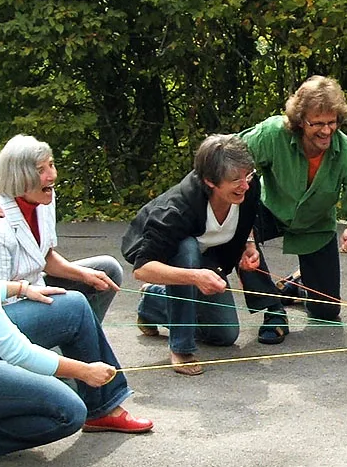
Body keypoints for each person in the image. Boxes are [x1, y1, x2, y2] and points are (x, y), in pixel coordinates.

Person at [0, 170, 152, 466]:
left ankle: (102, 409)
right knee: (68, 413)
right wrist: (84, 371)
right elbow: (16, 351)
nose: (1, 214)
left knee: (72, 305)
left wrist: (21, 287)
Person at [122, 135, 286, 375]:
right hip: (170, 257)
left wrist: (248, 245)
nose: (245, 185)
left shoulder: (248, 187)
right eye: (235, 180)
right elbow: (142, 269)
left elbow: (248, 217)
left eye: (247, 176)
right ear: (210, 181)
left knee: (225, 334)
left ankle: (153, 302)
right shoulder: (175, 210)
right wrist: (195, 277)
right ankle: (181, 348)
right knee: (186, 248)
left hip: (207, 260)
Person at [240, 76, 347, 322]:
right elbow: (232, 161)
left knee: (327, 311)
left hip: (316, 226)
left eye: (332, 122)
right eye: (318, 123)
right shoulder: (272, 133)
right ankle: (272, 309)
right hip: (269, 210)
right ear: (301, 121)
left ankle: (297, 282)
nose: (326, 131)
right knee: (234, 231)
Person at [0, 135, 122, 323]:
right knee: (74, 304)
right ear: (19, 176)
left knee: (108, 270)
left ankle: (81, 337)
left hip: (38, 287)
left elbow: (45, 257)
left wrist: (84, 275)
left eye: (51, 165)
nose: (52, 176)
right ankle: (71, 340)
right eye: (40, 170)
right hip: (10, 309)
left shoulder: (45, 198)